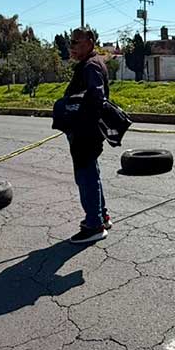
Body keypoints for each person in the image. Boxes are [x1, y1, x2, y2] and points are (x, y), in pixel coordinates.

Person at [63, 28, 113, 244]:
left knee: (86, 176)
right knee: (91, 172)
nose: (72, 46)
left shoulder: (91, 65)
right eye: (71, 42)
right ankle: (102, 215)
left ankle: (94, 225)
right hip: (87, 131)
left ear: (90, 42)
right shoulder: (90, 63)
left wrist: (80, 121)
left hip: (86, 132)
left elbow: (96, 98)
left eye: (77, 41)